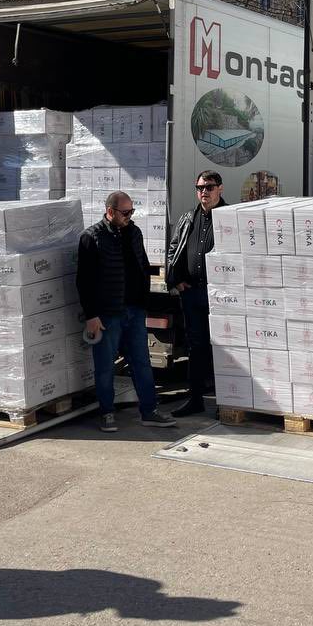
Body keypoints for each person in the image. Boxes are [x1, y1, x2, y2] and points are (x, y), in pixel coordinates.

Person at [75, 190, 176, 433]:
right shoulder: (91, 237)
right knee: (105, 366)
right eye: (125, 212)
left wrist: (144, 302)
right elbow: (84, 281)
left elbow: (142, 266)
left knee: (142, 362)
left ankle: (149, 411)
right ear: (110, 212)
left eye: (132, 211)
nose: (130, 216)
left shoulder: (134, 232)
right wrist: (91, 316)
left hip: (135, 310)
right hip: (107, 314)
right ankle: (107, 413)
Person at [166, 170, 227, 417]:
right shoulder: (187, 218)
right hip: (192, 294)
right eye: (200, 188)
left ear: (220, 189)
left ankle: (225, 402)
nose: (204, 192)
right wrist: (176, 279)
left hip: (219, 296)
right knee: (196, 347)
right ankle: (195, 400)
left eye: (209, 187)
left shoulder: (228, 217)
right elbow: (174, 249)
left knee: (222, 349)